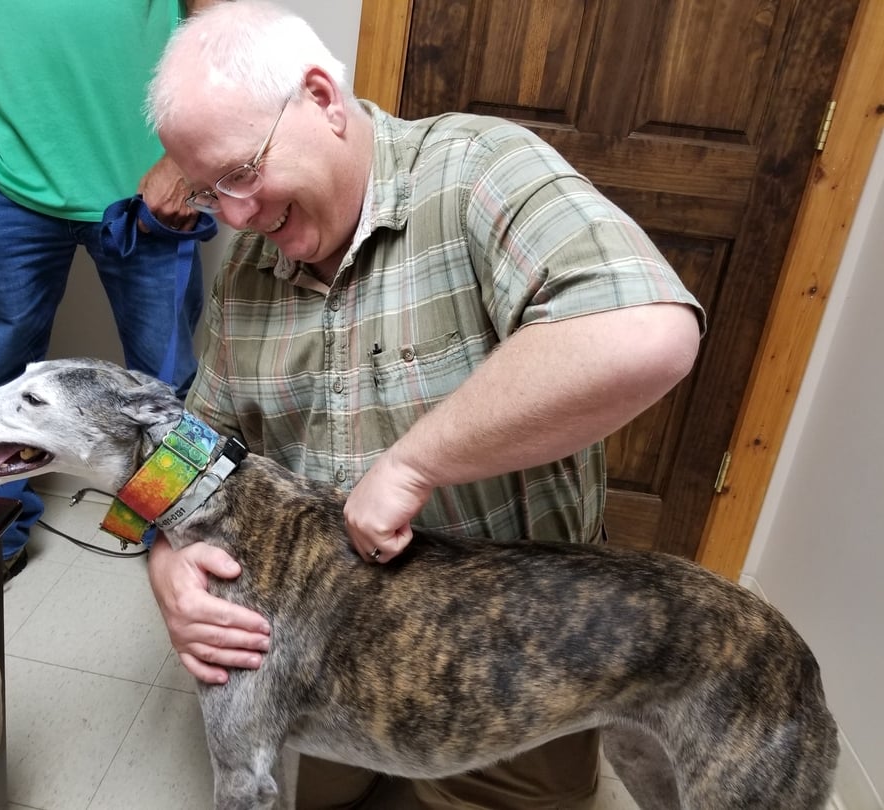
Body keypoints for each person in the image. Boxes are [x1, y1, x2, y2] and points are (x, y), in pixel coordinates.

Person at [145, 2, 705, 807]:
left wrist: (414, 464)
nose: (232, 215)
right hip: (326, 638)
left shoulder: (481, 168)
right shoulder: (246, 265)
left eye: (240, 173)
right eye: (206, 193)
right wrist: (163, 560)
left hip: (510, 661)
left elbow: (647, 335)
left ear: (321, 99)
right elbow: (194, 440)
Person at [0, 0, 223, 579]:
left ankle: (170, 534)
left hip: (152, 177)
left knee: (171, 387)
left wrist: (186, 156)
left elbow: (219, 14)